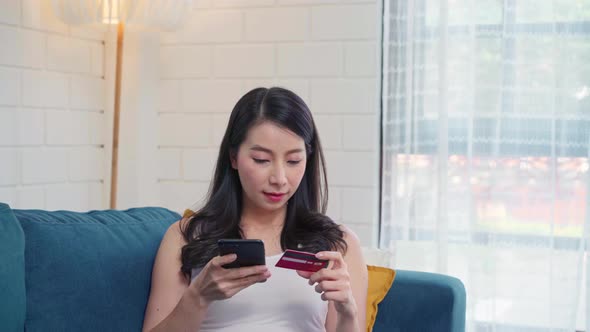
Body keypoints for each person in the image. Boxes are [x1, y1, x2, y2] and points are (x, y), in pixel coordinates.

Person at [142, 87, 368, 332]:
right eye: (261, 159)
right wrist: (198, 297)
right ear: (233, 157)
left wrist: (347, 309)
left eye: (293, 161)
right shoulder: (185, 237)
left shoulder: (339, 244)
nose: (280, 178)